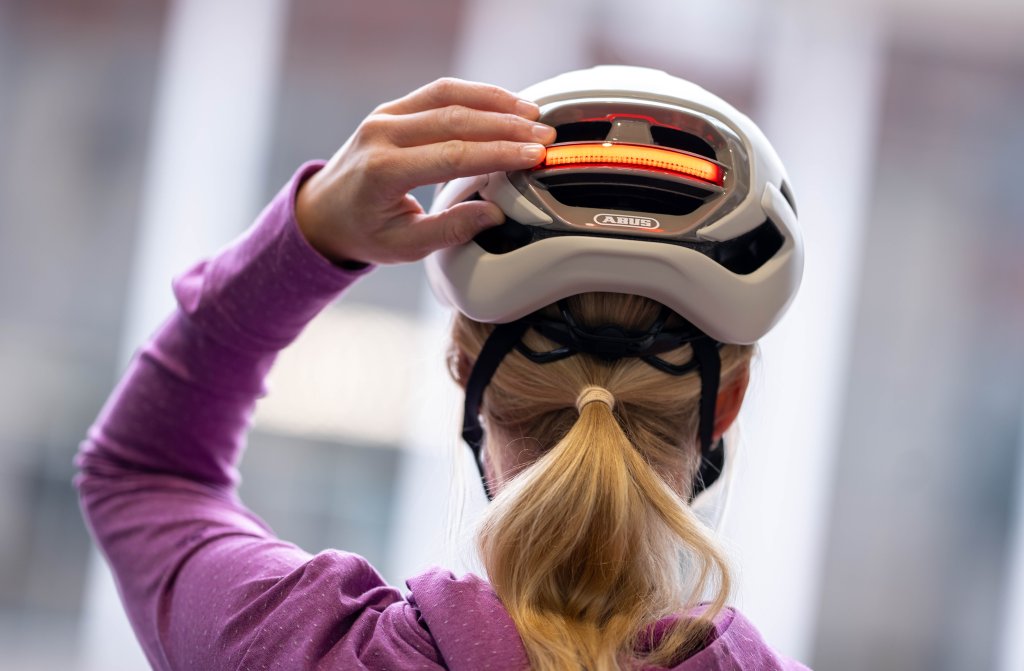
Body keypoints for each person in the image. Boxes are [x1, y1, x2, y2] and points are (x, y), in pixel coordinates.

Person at [76, 66, 809, 670]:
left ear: (464, 368)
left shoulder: (297, 647)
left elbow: (143, 471)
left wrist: (312, 234)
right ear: (727, 402)